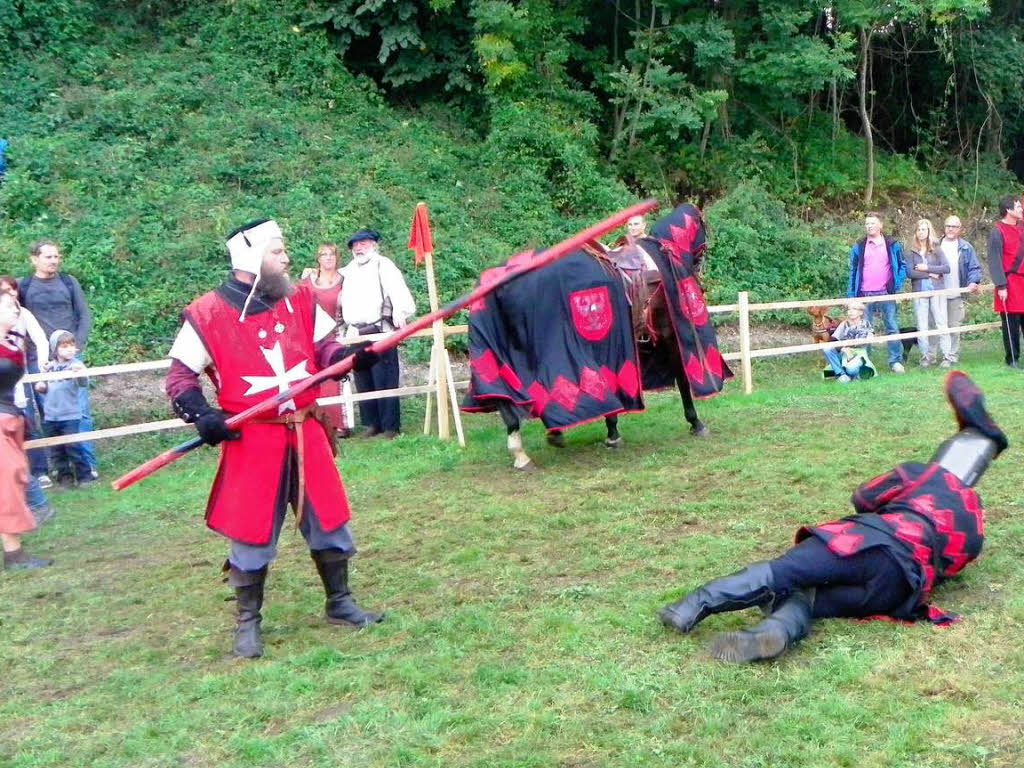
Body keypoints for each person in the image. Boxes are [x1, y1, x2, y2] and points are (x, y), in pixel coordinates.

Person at [658, 370, 1006, 663]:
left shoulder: (921, 474)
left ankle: (691, 606)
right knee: (806, 598)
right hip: (901, 589)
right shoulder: (975, 521)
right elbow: (952, 567)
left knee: (785, 573)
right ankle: (772, 633)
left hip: (869, 544)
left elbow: (863, 497)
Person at [164, 218, 383, 658]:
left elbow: (325, 349)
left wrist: (348, 358)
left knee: (329, 521)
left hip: (307, 431)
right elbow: (179, 378)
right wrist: (203, 415)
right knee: (250, 535)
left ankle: (340, 603)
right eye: (277, 251)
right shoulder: (208, 313)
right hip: (254, 442)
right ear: (250, 259)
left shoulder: (299, 297)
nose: (287, 258)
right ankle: (248, 622)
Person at [18, 240, 98, 476]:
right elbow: (19, 319)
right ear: (34, 259)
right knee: (49, 413)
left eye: (56, 256)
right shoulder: (25, 286)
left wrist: (77, 345)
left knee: (80, 410)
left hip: (70, 357)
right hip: (39, 359)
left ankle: (87, 465)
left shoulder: (68, 282)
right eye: (48, 257)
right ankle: (60, 468)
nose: (54, 261)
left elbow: (83, 315)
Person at [339, 229, 416, 439]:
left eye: (363, 243)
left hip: (381, 330)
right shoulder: (348, 271)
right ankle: (372, 423)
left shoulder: (384, 264)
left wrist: (400, 312)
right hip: (356, 331)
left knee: (385, 377)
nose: (359, 248)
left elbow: (398, 290)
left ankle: (390, 426)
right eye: (355, 245)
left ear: (374, 245)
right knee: (363, 377)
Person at [0, 291, 53, 571]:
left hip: (10, 416)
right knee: (6, 481)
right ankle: (14, 555)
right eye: (8, 307)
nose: (15, 312)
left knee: (16, 475)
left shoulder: (11, 343)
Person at [300, 243, 352, 437]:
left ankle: (340, 424)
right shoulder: (308, 281)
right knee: (317, 380)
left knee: (336, 379)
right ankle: (320, 421)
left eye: (332, 254)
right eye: (324, 254)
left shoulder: (345, 280)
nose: (328, 258)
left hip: (337, 333)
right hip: (313, 336)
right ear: (318, 259)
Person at [847, 213, 907, 373]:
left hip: (886, 292)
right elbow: (853, 271)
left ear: (881, 225)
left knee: (892, 326)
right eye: (867, 223)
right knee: (864, 330)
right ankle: (863, 362)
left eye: (873, 223)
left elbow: (902, 266)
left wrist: (897, 285)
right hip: (864, 293)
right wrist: (851, 296)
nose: (869, 226)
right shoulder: (859, 246)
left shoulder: (892, 244)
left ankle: (895, 361)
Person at [36, 330, 93, 487]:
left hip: (70, 415)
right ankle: (64, 478)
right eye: (64, 346)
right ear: (55, 349)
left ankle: (84, 476)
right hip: (50, 416)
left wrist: (79, 374)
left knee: (73, 447)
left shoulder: (76, 365)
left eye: (72, 345)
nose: (69, 349)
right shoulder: (50, 367)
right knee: (57, 450)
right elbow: (42, 387)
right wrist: (40, 385)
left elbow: (84, 383)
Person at [904, 218, 951, 367]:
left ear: (929, 231)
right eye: (918, 229)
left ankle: (947, 357)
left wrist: (926, 268)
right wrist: (929, 274)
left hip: (937, 290)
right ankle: (925, 358)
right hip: (919, 291)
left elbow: (946, 268)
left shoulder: (936, 249)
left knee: (941, 323)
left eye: (924, 229)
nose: (921, 232)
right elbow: (910, 272)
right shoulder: (911, 251)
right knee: (922, 325)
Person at [986, 196, 1024, 368]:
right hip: (1009, 283)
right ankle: (1012, 359)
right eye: (1018, 207)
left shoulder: (1022, 229)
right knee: (1011, 324)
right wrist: (1001, 285)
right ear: (1008, 210)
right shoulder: (997, 231)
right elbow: (995, 260)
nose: (1021, 209)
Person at [939, 215, 982, 365]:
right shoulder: (935, 245)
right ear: (944, 228)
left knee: (954, 326)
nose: (950, 229)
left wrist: (973, 282)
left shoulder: (966, 247)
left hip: (956, 294)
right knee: (935, 326)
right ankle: (933, 356)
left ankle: (951, 356)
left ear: (960, 229)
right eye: (948, 226)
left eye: (954, 226)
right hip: (936, 294)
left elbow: (974, 268)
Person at [822, 301, 875, 383]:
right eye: (849, 309)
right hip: (845, 352)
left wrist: (871, 336)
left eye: (854, 309)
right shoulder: (844, 324)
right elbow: (833, 339)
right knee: (827, 348)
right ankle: (841, 374)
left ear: (860, 312)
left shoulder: (866, 324)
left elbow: (871, 335)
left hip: (859, 353)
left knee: (851, 370)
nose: (850, 312)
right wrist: (842, 348)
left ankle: (852, 372)